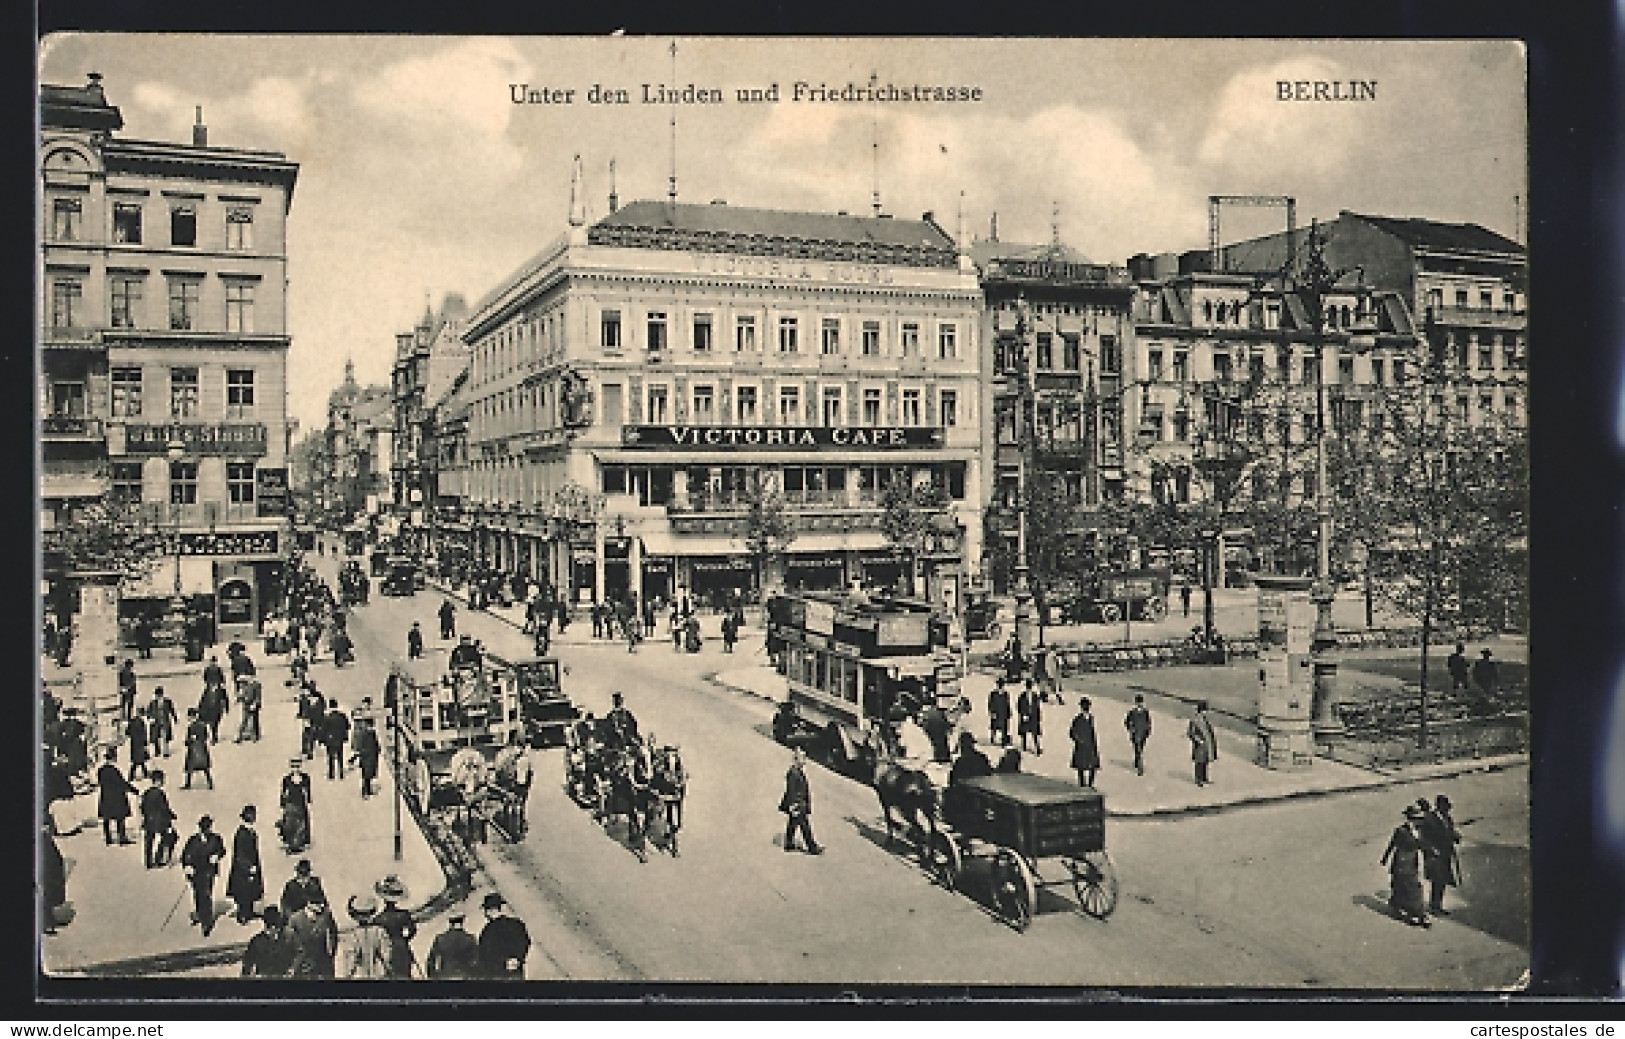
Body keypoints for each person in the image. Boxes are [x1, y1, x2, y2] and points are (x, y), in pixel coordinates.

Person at [1380, 804, 1432, 927]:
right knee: (1412, 888)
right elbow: (1395, 844)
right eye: (1417, 818)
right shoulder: (1402, 831)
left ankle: (1408, 910)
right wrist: (1385, 859)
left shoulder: (1419, 830)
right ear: (1410, 819)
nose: (1420, 821)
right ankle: (1417, 914)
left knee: (1406, 887)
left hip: (1413, 861)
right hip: (1403, 862)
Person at [180, 814, 227, 936]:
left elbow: (222, 850)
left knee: (206, 894)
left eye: (209, 827)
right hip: (196, 872)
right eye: (205, 828)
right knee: (197, 894)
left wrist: (217, 856)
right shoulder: (193, 840)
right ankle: (200, 914)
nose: (208, 830)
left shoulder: (216, 839)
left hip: (209, 872)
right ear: (200, 828)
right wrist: (188, 867)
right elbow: (185, 856)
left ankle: (207, 921)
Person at [1420, 794, 1463, 915]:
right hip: (1435, 855)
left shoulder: (1447, 818)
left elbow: (1449, 831)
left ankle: (1437, 905)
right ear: (1439, 807)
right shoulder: (1430, 819)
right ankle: (1434, 906)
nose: (1447, 810)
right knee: (1437, 880)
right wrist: (1431, 849)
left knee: (1442, 880)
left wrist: (1455, 836)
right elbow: (1424, 838)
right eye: (1446, 807)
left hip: (1445, 854)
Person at [779, 746, 823, 855]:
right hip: (798, 804)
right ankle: (812, 847)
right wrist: (793, 805)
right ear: (796, 759)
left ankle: (789, 844)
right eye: (802, 758)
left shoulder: (798, 772)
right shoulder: (793, 773)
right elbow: (791, 791)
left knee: (793, 823)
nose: (804, 760)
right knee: (805, 826)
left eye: (805, 757)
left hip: (799, 803)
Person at [476, 892, 531, 979]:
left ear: (489, 911)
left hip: (497, 974)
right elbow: (525, 942)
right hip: (516, 972)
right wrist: (517, 959)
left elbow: (485, 954)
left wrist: (502, 963)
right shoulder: (516, 923)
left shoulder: (488, 930)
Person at [373, 874, 418, 979]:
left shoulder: (379, 918)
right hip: (401, 947)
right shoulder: (403, 915)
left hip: (385, 950)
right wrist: (404, 939)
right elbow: (413, 930)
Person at [228, 805, 265, 925]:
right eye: (253, 815)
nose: (255, 817)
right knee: (243, 891)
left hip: (252, 865)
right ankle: (242, 914)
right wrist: (249, 867)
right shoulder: (241, 834)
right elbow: (240, 855)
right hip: (243, 869)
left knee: (250, 890)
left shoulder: (250, 831)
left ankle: (249, 911)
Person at [340, 893, 392, 979]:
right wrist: (388, 971)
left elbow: (351, 960)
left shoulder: (353, 934)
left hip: (359, 975)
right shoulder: (379, 931)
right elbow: (386, 956)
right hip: (377, 974)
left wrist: (347, 975)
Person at [288, 896, 340, 977]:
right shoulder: (295, 919)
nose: (322, 906)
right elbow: (291, 944)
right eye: (318, 904)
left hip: (323, 965)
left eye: (323, 903)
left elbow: (334, 934)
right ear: (309, 904)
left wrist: (331, 954)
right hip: (303, 967)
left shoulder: (326, 916)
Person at [96, 748, 136, 845]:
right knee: (120, 818)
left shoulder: (101, 770)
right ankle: (121, 838)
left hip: (105, 796)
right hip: (117, 796)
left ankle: (108, 838)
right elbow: (122, 783)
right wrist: (133, 790)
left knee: (107, 818)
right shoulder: (114, 770)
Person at [242, 906, 296, 978]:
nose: (273, 930)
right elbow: (247, 964)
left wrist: (292, 969)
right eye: (269, 928)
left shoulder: (288, 938)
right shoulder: (256, 941)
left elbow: (299, 953)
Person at [140, 771, 179, 869]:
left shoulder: (147, 792)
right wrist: (172, 816)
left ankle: (148, 861)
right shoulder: (160, 794)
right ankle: (159, 859)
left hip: (149, 820)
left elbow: (142, 807)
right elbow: (164, 808)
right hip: (160, 821)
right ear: (158, 781)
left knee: (149, 841)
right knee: (167, 837)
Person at [426, 912, 480, 979]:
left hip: (445, 975)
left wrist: (433, 975)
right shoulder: (469, 939)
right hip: (464, 975)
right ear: (462, 922)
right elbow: (476, 959)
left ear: (450, 923)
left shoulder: (441, 938)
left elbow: (431, 960)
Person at [278, 759, 313, 853]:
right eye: (293, 767)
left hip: (301, 802)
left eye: (297, 767)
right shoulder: (287, 779)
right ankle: (290, 842)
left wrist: (309, 799)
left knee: (301, 823)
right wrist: (282, 803)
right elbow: (283, 792)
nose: (295, 769)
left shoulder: (305, 778)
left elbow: (308, 790)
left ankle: (300, 842)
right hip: (291, 802)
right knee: (290, 823)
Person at [1068, 697, 1101, 788]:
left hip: (1090, 745)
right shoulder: (1077, 719)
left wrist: (1094, 744)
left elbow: (1092, 732)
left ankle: (1090, 784)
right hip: (1081, 746)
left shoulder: (1091, 718)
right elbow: (1072, 733)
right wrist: (1079, 740)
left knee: (1093, 766)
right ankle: (1082, 784)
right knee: (1081, 766)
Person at [1187, 701, 1218, 787]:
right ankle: (1198, 779)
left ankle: (1204, 778)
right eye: (1205, 710)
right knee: (1199, 762)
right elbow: (1190, 733)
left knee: (1205, 761)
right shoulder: (1195, 720)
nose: (1206, 712)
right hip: (1199, 745)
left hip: (1206, 744)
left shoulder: (1204, 719)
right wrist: (1199, 740)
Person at [182, 708, 213, 789]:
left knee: (191, 766)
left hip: (195, 747)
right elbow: (206, 736)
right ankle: (209, 783)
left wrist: (191, 740)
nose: (189, 718)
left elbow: (203, 736)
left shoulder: (195, 726)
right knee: (204, 766)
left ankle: (188, 784)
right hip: (201, 748)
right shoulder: (202, 725)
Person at [1124, 694, 1153, 777]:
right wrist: (1130, 729)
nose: (1140, 704)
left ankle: (1137, 761)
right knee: (1138, 749)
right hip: (1135, 733)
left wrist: (1148, 731)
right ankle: (1140, 768)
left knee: (1140, 749)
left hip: (1143, 733)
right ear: (1136, 703)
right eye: (1138, 702)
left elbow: (1148, 722)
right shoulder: (1132, 712)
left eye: (1140, 702)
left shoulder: (1145, 712)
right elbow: (1126, 722)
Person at [323, 699, 351, 781]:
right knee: (340, 756)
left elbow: (323, 729)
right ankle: (341, 773)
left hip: (330, 739)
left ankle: (331, 774)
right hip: (339, 739)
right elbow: (348, 726)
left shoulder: (327, 717)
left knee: (331, 757)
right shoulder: (342, 716)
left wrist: (323, 739)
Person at [353, 720, 382, 798]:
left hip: (367, 756)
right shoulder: (370, 734)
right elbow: (376, 745)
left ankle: (367, 791)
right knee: (367, 775)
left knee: (367, 774)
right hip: (369, 756)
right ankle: (365, 792)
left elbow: (359, 745)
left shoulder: (365, 733)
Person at [149, 687, 178, 758]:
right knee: (156, 737)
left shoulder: (167, 702)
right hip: (156, 722)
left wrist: (175, 718)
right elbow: (149, 712)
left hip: (165, 721)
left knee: (165, 737)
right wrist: (150, 718)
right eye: (157, 695)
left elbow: (172, 710)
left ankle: (166, 752)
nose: (157, 697)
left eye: (159, 695)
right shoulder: (152, 703)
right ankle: (157, 751)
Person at [1016, 680, 1043, 755]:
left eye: (1030, 687)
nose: (1029, 689)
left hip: (1033, 717)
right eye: (1028, 687)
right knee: (1024, 732)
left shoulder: (1035, 696)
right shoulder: (1022, 696)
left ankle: (1037, 748)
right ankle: (1024, 746)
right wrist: (1023, 714)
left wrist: (1038, 717)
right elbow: (1019, 706)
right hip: (1025, 716)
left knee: (1035, 733)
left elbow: (1037, 707)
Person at [126, 709, 151, 782]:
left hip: (134, 743)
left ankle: (133, 776)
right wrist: (145, 742)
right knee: (140, 760)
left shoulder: (132, 721)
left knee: (137, 760)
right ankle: (133, 775)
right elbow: (144, 733)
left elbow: (127, 732)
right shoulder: (141, 722)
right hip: (140, 743)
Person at [236, 677, 263, 743]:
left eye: (241, 683)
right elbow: (242, 696)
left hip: (253, 706)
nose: (240, 684)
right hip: (246, 706)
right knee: (244, 721)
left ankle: (255, 736)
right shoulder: (244, 688)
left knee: (254, 721)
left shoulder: (255, 686)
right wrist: (239, 699)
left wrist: (255, 704)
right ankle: (240, 737)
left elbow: (257, 696)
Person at [988, 679, 1013, 748]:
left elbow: (1007, 704)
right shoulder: (993, 694)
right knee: (994, 727)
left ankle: (1003, 742)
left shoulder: (1005, 694)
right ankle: (992, 738)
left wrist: (1009, 712)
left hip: (1003, 713)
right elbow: (990, 704)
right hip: (996, 713)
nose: (1000, 687)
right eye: (999, 685)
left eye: (1001, 685)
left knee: (1004, 728)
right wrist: (992, 712)